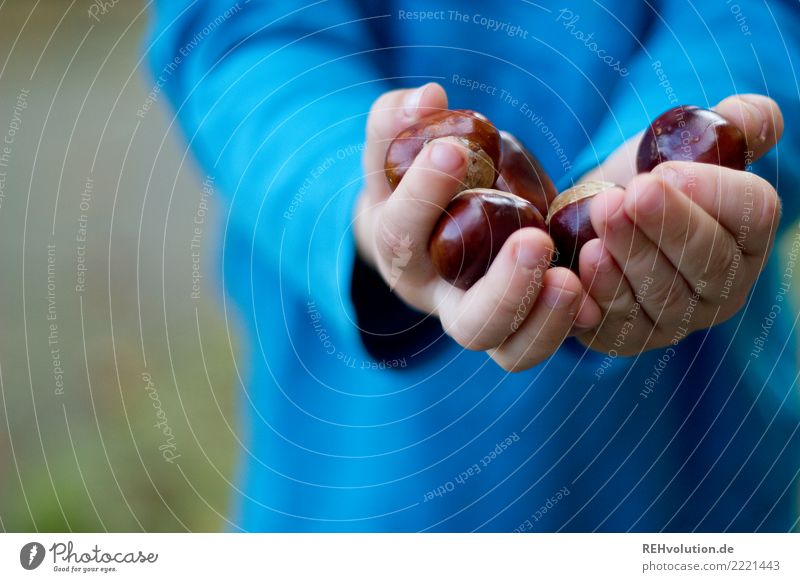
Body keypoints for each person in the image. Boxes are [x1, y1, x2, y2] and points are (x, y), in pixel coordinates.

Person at [146, 0, 800, 531]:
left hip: (685, 472)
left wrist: (692, 166)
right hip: (362, 471)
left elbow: (759, 21)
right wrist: (346, 191)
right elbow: (235, 31)